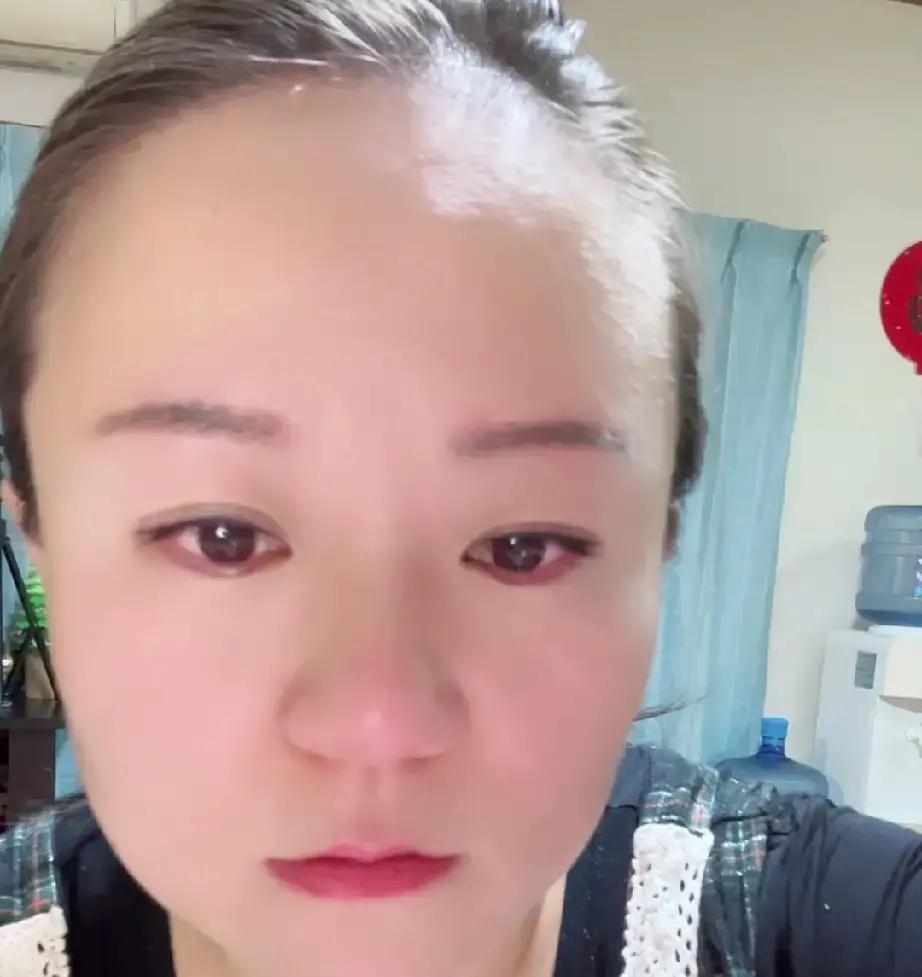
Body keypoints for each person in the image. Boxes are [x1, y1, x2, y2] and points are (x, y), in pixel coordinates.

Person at [0, 2, 918, 976]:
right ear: (40, 535)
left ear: (659, 550)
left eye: (523, 546)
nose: (377, 723)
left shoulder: (828, 928)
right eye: (220, 535)